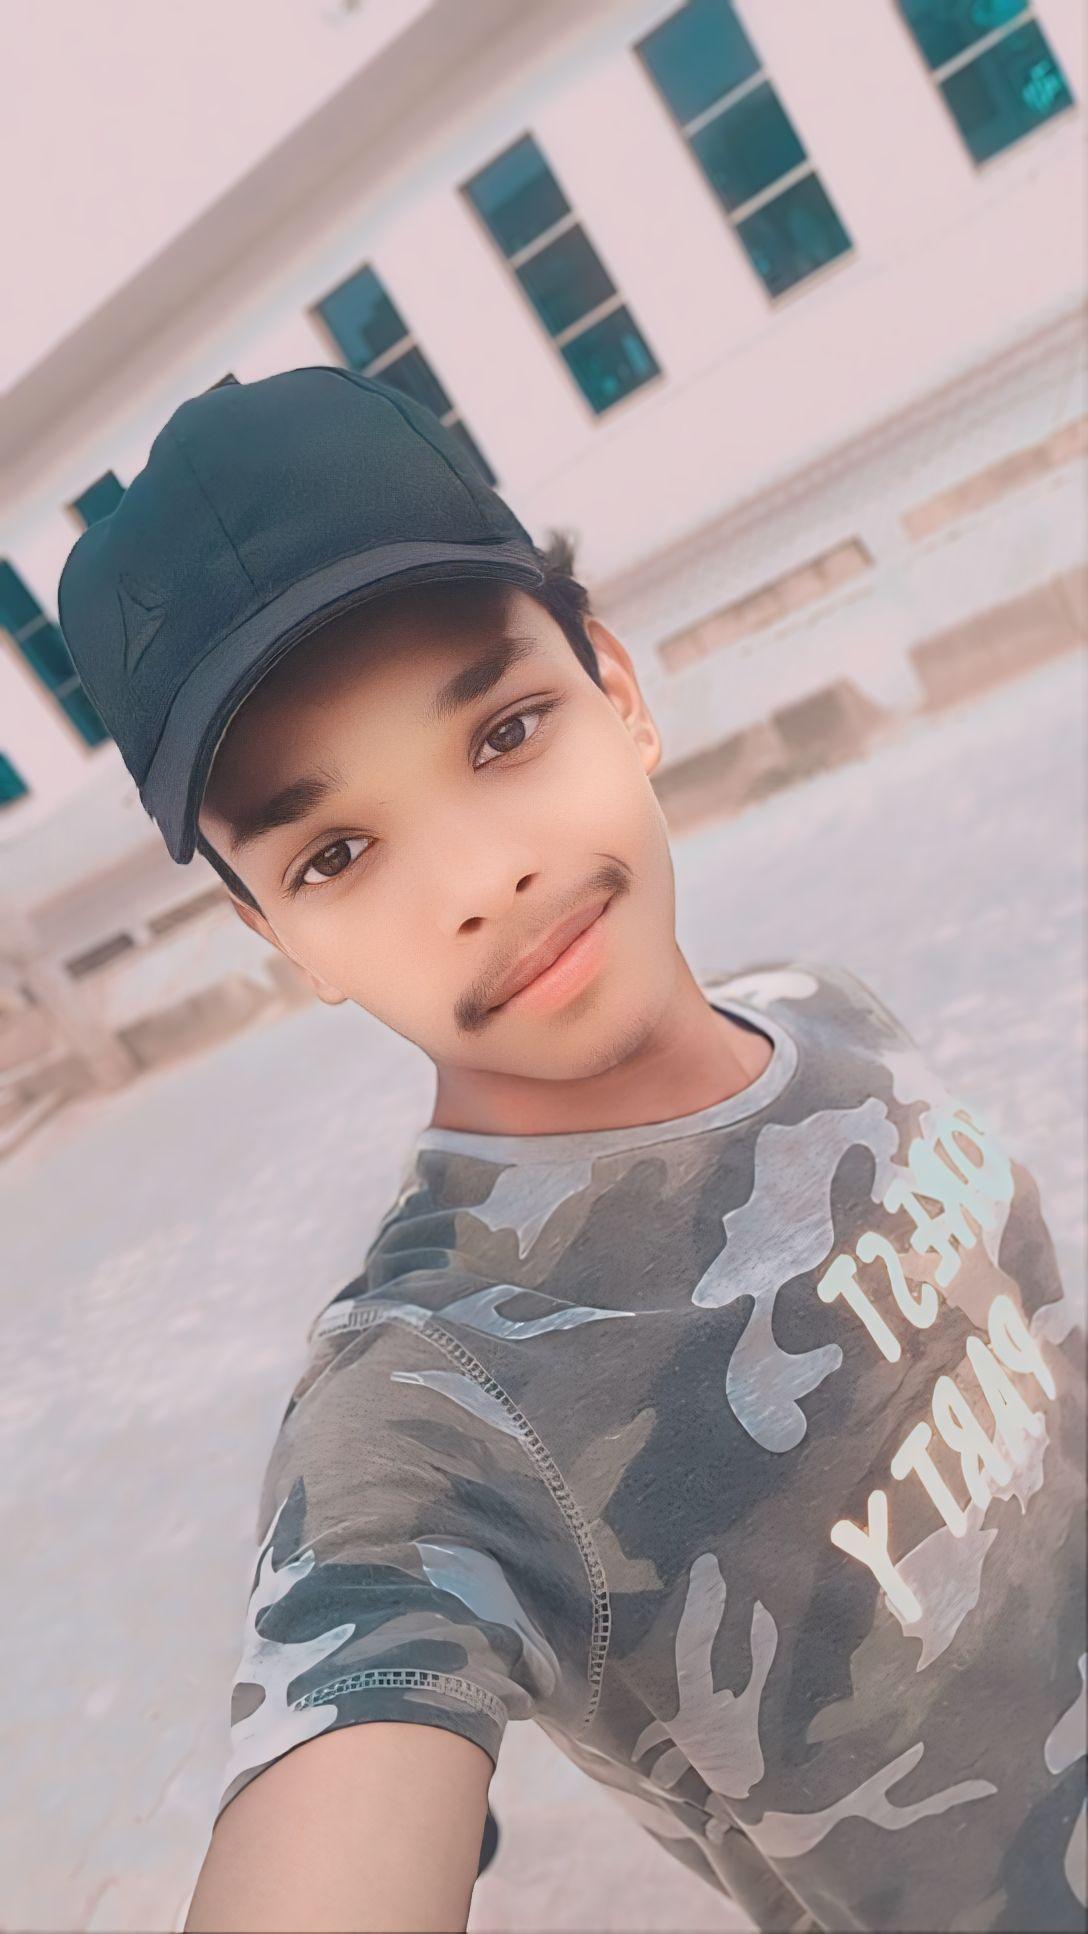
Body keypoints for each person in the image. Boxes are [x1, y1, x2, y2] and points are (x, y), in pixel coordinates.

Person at [58, 369, 1086, 1934]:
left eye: (505, 729)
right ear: (281, 936)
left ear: (618, 685)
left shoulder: (821, 1010)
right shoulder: (428, 1406)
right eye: (338, 852)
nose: (483, 877)